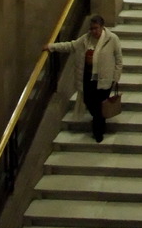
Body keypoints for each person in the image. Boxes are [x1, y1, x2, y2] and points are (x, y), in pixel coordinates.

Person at [45, 15, 123, 143]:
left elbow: (119, 60)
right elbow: (71, 46)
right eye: (91, 28)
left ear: (102, 27)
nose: (93, 31)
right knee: (89, 101)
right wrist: (51, 47)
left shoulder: (112, 39)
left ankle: (98, 132)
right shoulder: (86, 39)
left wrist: (116, 77)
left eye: (96, 28)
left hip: (105, 79)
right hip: (89, 77)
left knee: (100, 105)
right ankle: (99, 121)